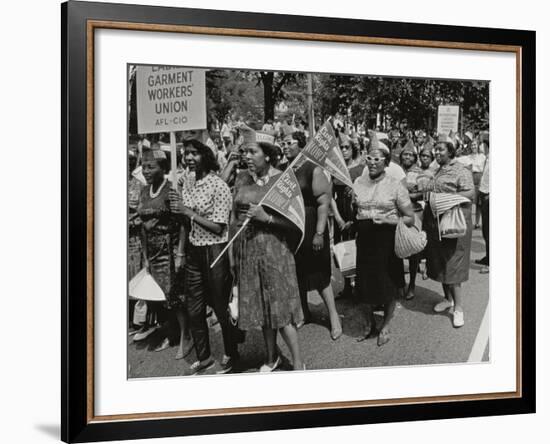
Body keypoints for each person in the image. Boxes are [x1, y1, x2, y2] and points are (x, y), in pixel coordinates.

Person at [231, 129, 305, 371]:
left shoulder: (283, 181)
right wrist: (233, 253)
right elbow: (234, 217)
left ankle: (298, 364)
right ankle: (271, 357)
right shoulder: (242, 178)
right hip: (248, 252)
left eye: (253, 152)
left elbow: (295, 224)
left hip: (276, 254)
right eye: (245, 152)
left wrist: (267, 218)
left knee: (281, 311)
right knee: (263, 309)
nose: (247, 156)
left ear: (268, 155)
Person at [169, 139, 241, 375]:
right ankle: (204, 356)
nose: (189, 158)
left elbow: (220, 228)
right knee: (194, 308)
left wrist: (189, 212)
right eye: (186, 154)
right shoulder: (187, 181)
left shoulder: (218, 186)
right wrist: (178, 205)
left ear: (205, 157)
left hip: (215, 250)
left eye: (194, 154)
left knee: (221, 307)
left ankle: (232, 353)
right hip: (194, 250)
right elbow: (184, 219)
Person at [282, 131, 343, 340]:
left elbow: (323, 203)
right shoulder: (284, 170)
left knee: (319, 274)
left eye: (290, 142)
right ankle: (304, 312)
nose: (285, 146)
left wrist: (319, 233)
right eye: (283, 142)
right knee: (297, 272)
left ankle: (334, 317)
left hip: (312, 226)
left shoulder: (312, 169)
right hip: (293, 228)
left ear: (301, 145)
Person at [353, 144, 415, 346]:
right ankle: (370, 323)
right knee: (364, 285)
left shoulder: (396, 185)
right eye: (369, 158)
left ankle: (386, 325)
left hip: (387, 241)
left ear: (386, 163)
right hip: (364, 240)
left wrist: (389, 221)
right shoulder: (357, 183)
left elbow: (410, 218)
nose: (371, 162)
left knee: (388, 285)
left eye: (377, 159)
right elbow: (355, 210)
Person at [135, 147, 185, 346]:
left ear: (163, 168)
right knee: (158, 296)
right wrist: (145, 256)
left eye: (150, 167)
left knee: (173, 296)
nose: (145, 171)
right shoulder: (144, 191)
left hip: (169, 250)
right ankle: (170, 331)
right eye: (144, 167)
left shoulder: (171, 190)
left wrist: (180, 253)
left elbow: (182, 223)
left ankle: (184, 336)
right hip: (151, 250)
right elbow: (142, 226)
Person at [424, 136, 475, 328]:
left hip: (453, 223)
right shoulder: (437, 170)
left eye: (441, 149)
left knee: (453, 265)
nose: (436, 152)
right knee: (440, 262)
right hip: (436, 224)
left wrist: (447, 198)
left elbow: (470, 193)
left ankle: (459, 309)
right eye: (435, 149)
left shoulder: (461, 170)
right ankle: (448, 300)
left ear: (451, 151)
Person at [331, 131, 364, 298]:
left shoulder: (360, 169)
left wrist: (354, 218)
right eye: (340, 148)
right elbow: (329, 195)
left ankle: (359, 285)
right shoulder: (334, 169)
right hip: (340, 210)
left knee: (358, 248)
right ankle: (346, 286)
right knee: (342, 249)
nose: (343, 150)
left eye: (346, 147)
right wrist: (338, 218)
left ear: (353, 149)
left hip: (356, 211)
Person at [399, 141, 425, 300]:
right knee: (397, 249)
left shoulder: (419, 172)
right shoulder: (395, 170)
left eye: (410, 155)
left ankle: (412, 285)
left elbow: (422, 193)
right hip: (398, 213)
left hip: (415, 213)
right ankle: (400, 283)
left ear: (415, 157)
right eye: (405, 154)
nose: (407, 157)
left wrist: (406, 195)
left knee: (413, 251)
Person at [476, 139, 490, 273]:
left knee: (490, 230)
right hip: (484, 195)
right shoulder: (488, 159)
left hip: (489, 196)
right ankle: (488, 257)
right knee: (486, 230)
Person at [469, 139, 487, 228]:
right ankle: (468, 221)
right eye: (472, 145)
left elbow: (484, 169)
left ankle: (477, 222)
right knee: (470, 200)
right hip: (470, 177)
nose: (473, 147)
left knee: (479, 203)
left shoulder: (482, 157)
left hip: (479, 178)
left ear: (478, 146)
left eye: (475, 145)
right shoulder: (469, 157)